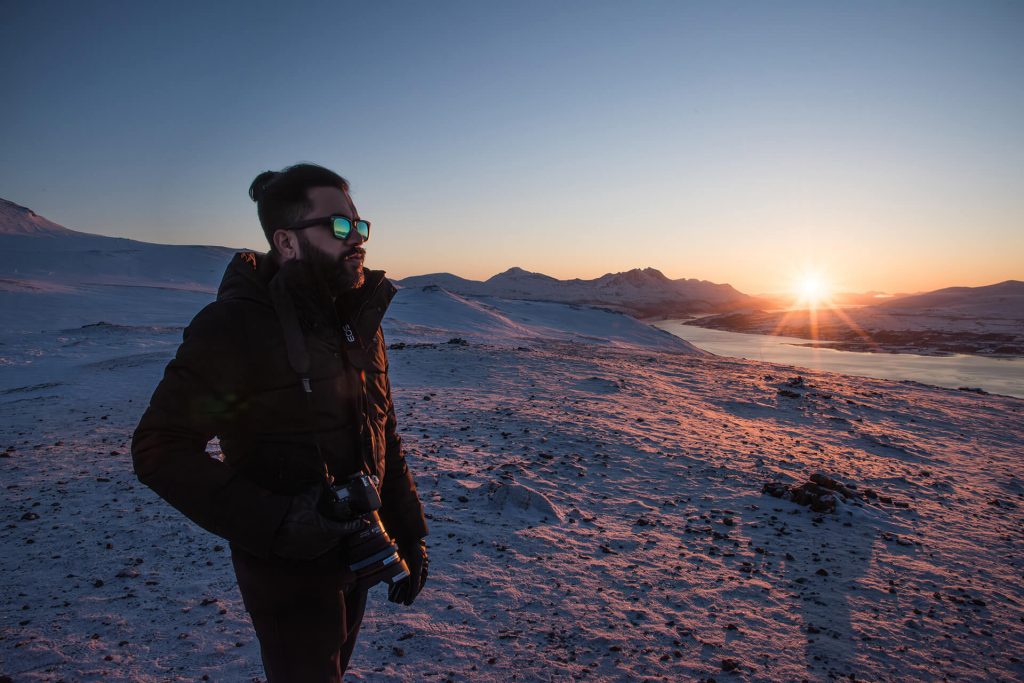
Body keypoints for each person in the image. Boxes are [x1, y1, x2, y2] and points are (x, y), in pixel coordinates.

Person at [131, 163, 428, 681]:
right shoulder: (235, 327)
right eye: (339, 227)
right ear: (287, 242)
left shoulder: (355, 323)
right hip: (284, 568)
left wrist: (409, 530)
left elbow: (385, 431)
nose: (356, 240)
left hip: (361, 547)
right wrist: (282, 522)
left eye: (360, 226)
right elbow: (161, 448)